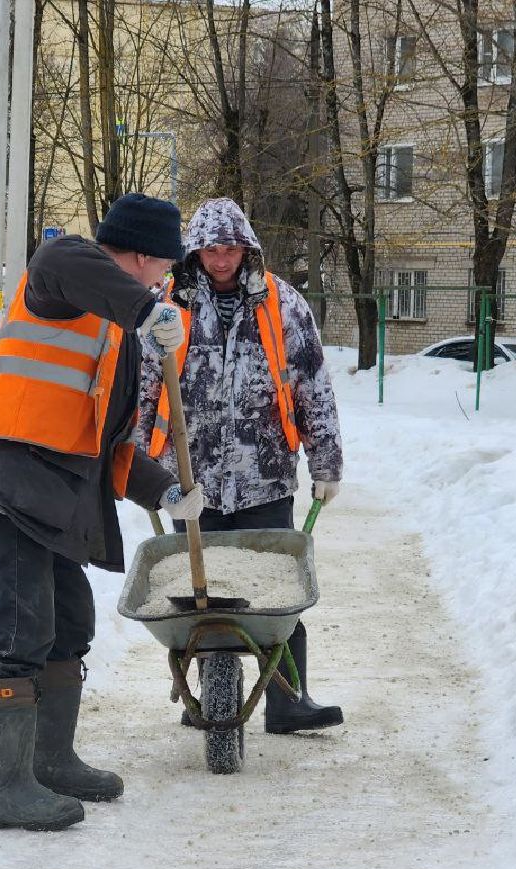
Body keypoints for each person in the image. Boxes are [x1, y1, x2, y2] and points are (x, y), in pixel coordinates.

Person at [0, 193, 203, 831]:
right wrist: (147, 308)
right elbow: (61, 259)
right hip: (10, 470)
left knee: (68, 623)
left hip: (61, 485)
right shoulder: (67, 270)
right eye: (162, 269)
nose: (164, 281)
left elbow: (109, 444)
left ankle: (51, 760)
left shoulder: (115, 335)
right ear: (143, 256)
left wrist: (165, 490)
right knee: (18, 625)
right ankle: (2, 788)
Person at [137, 197, 345, 734]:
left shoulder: (285, 304)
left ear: (246, 247)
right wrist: (133, 462)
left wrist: (326, 462)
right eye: (210, 249)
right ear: (196, 250)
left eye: (230, 248)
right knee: (196, 594)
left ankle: (288, 699)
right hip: (190, 475)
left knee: (279, 596)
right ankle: (205, 697)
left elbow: (312, 385)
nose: (221, 259)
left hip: (265, 474)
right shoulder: (166, 303)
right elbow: (142, 385)